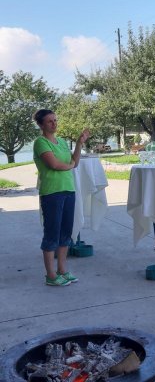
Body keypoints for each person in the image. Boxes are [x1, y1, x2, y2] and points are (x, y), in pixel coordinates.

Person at [33, 109, 90, 287]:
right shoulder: (40, 143)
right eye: (50, 121)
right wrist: (70, 165)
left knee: (65, 232)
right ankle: (50, 275)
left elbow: (75, 162)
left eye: (55, 120)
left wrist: (80, 144)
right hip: (52, 193)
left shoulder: (63, 142)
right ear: (41, 125)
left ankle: (62, 270)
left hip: (68, 190)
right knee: (52, 233)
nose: (54, 123)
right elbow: (54, 164)